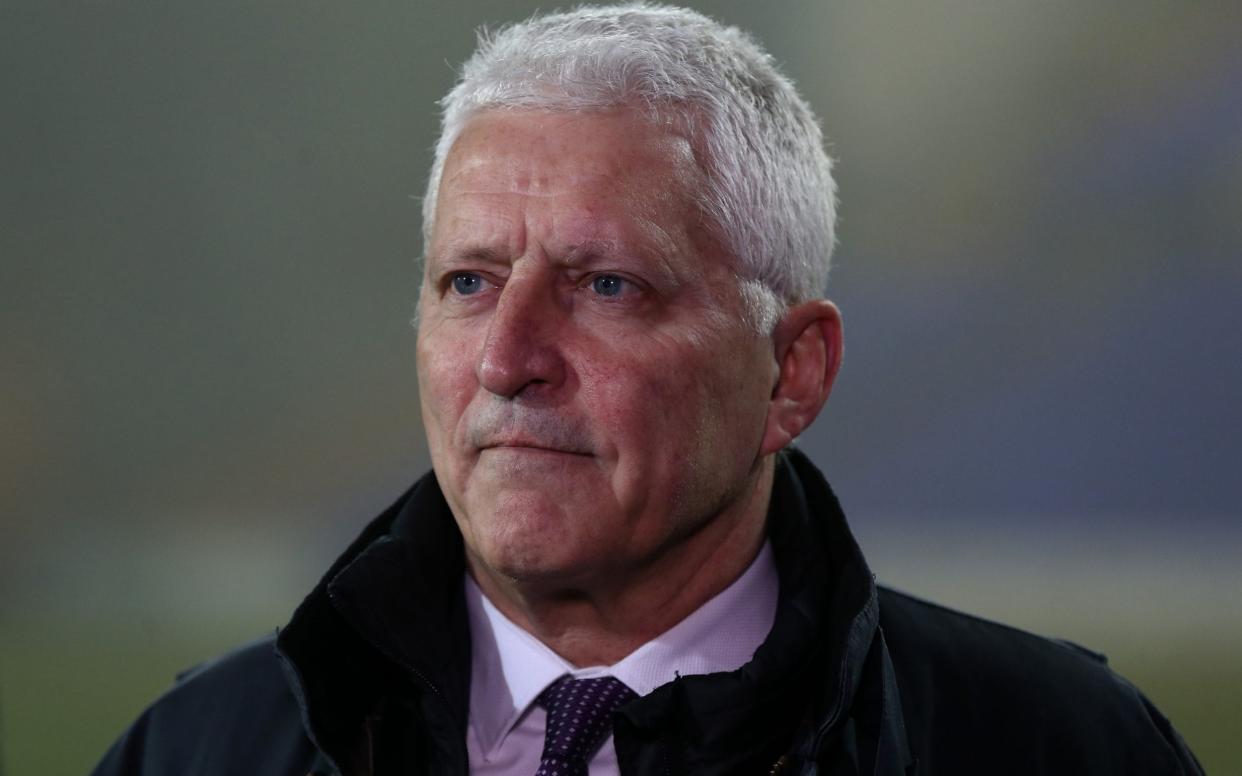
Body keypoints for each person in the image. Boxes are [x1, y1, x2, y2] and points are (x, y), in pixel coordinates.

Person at [92, 4, 1203, 775]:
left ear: (791, 370)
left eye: (607, 285)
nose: (507, 357)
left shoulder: (1057, 745)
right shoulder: (199, 745)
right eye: (469, 281)